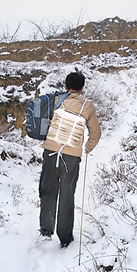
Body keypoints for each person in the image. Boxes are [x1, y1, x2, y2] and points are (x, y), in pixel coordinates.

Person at [38, 71, 101, 248]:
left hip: (50, 152)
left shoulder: (56, 100)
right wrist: (87, 148)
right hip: (71, 157)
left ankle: (45, 230)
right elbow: (96, 133)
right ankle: (65, 238)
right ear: (82, 88)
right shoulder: (87, 106)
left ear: (66, 86)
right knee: (67, 194)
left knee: (48, 190)